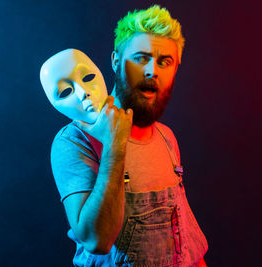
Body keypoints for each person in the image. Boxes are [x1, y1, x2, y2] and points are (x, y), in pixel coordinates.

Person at [50, 5, 208, 266]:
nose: (151, 71)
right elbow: (96, 241)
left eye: (164, 61)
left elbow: (185, 240)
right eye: (141, 58)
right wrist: (114, 144)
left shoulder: (166, 138)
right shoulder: (73, 141)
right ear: (115, 60)